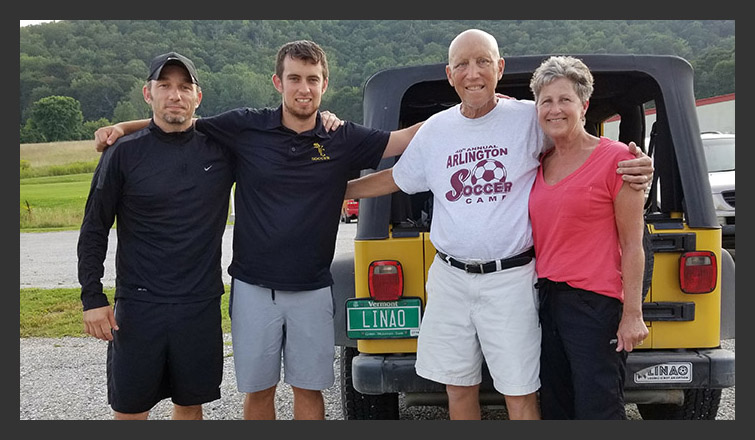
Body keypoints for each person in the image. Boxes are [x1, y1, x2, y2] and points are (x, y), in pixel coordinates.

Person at [93, 40, 422, 420]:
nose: (304, 88)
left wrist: (467, 113)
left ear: (324, 84)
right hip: (252, 288)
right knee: (259, 393)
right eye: (294, 78)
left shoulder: (341, 137)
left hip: (312, 288)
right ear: (277, 82)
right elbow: (181, 121)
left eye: (312, 79)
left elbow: (404, 140)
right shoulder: (246, 126)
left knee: (309, 392)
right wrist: (121, 127)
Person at [344, 29, 653, 420]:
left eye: (483, 62)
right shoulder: (436, 129)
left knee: (521, 390)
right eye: (462, 65)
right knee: (458, 387)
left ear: (499, 68)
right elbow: (396, 178)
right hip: (451, 278)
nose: (473, 73)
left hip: (511, 278)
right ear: (450, 73)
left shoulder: (528, 117)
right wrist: (338, 190)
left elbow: (575, 137)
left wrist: (639, 162)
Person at [78, 52, 235, 420]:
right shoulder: (122, 154)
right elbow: (94, 228)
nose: (174, 95)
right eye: (164, 86)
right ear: (148, 93)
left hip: (199, 303)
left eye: (184, 87)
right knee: (131, 408)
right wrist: (92, 297)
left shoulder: (223, 149)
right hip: (138, 306)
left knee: (190, 404)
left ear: (199, 96)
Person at [528, 55, 649, 419]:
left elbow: (633, 245)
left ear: (584, 105)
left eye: (564, 99)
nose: (555, 109)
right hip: (547, 300)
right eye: (546, 101)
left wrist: (632, 314)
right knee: (556, 404)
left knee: (598, 406)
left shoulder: (618, 161)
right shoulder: (540, 161)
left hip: (596, 307)